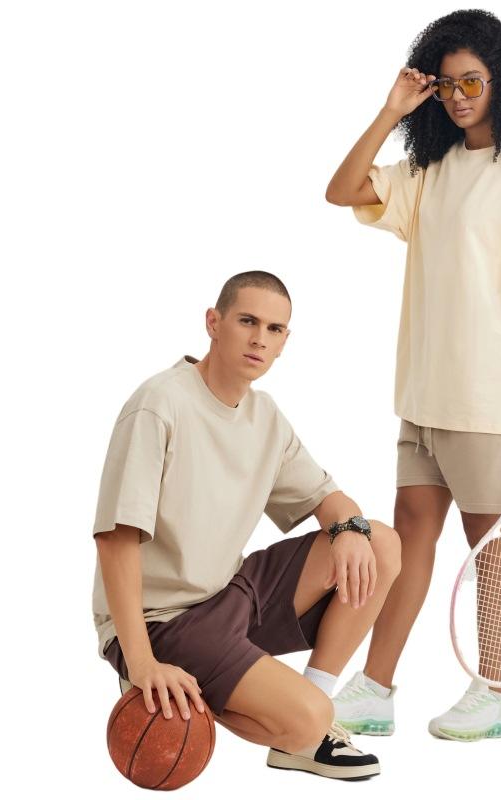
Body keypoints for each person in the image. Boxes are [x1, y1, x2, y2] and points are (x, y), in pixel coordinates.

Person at [325, 9, 501, 741]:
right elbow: (341, 189)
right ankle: (376, 689)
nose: (460, 96)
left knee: (488, 546)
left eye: (473, 82)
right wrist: (391, 110)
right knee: (406, 545)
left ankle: (492, 693)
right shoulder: (428, 171)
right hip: (423, 397)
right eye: (448, 84)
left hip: (485, 399)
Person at [91, 270, 401, 780]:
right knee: (308, 718)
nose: (260, 339)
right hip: (162, 621)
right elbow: (115, 540)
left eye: (274, 329)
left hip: (230, 594)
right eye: (247, 321)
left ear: (284, 342)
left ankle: (307, 730)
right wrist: (140, 661)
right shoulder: (159, 404)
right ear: (213, 323)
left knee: (379, 542)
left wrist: (349, 529)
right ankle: (299, 722)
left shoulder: (264, 416)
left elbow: (328, 497)